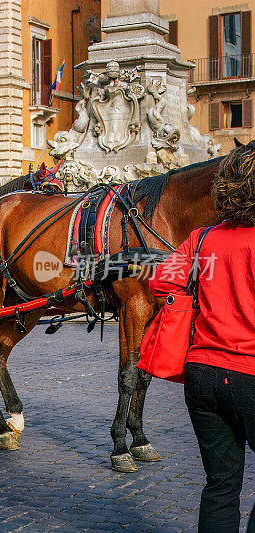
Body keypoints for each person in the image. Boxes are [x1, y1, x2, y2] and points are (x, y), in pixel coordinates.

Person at [149, 145, 255, 532]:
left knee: (221, 485)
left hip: (203, 374)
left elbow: (162, 282)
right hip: (251, 375)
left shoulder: (203, 237)